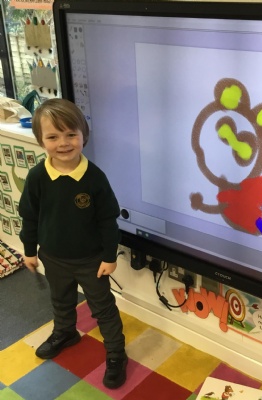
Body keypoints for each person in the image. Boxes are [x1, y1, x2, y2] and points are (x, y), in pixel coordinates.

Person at [19, 98, 127, 389]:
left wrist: (109, 256)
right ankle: (66, 333)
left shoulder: (95, 178)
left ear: (83, 135)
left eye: (70, 134)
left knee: (103, 308)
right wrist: (29, 251)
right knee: (61, 300)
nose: (63, 143)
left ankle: (116, 354)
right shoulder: (37, 177)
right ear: (41, 140)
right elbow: (29, 216)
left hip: (91, 260)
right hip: (53, 257)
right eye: (53, 137)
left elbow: (108, 221)